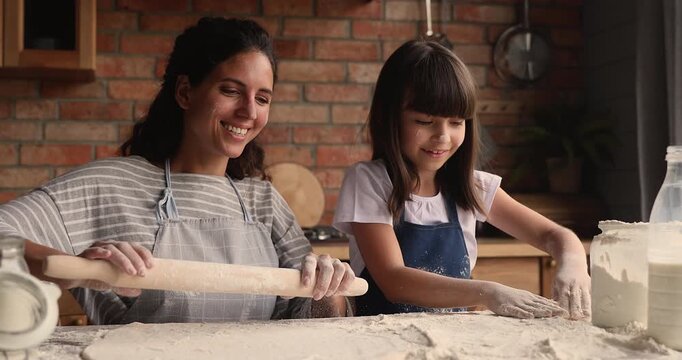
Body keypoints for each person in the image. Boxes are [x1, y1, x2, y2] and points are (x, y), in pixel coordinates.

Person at [0, 17, 355, 324]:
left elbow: (315, 322)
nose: (249, 111)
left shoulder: (263, 202)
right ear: (185, 93)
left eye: (262, 98)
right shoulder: (112, 185)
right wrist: (78, 269)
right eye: (231, 90)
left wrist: (330, 289)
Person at [332, 40, 591, 319]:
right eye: (424, 121)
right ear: (389, 118)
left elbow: (555, 235)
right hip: (382, 341)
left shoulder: (474, 187)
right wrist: (488, 292)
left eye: (456, 122)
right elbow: (394, 280)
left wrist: (573, 264)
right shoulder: (369, 181)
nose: (442, 136)